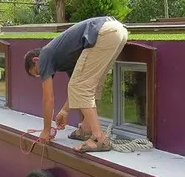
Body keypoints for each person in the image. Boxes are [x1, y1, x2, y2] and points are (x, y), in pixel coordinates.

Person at [23, 16, 128, 153]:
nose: (41, 74)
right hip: (118, 31)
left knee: (80, 86)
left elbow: (48, 99)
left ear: (36, 60)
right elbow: (78, 88)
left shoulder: (44, 55)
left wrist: (46, 130)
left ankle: (99, 138)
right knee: (89, 85)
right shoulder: (66, 57)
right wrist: (65, 111)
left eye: (37, 72)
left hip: (104, 32)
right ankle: (86, 129)